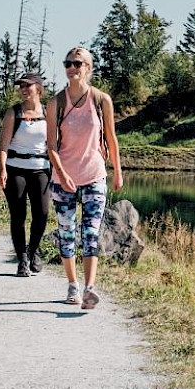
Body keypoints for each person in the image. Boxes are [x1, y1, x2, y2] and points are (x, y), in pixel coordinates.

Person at [43, 46, 122, 310]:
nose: (72, 68)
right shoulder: (56, 102)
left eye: (77, 63)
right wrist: (62, 174)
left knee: (90, 233)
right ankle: (72, 285)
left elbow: (111, 138)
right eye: (68, 63)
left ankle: (90, 288)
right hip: (63, 177)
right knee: (66, 234)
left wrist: (118, 173)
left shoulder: (101, 100)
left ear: (88, 67)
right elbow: (50, 146)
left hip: (94, 175)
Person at [0, 70, 53, 278]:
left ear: (38, 89)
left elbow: (55, 145)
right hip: (15, 168)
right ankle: (22, 260)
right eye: (21, 86)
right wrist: (2, 169)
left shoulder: (48, 113)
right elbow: (3, 145)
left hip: (41, 168)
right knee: (18, 216)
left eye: (27, 86)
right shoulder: (14, 112)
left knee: (43, 213)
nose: (24, 90)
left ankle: (32, 250)